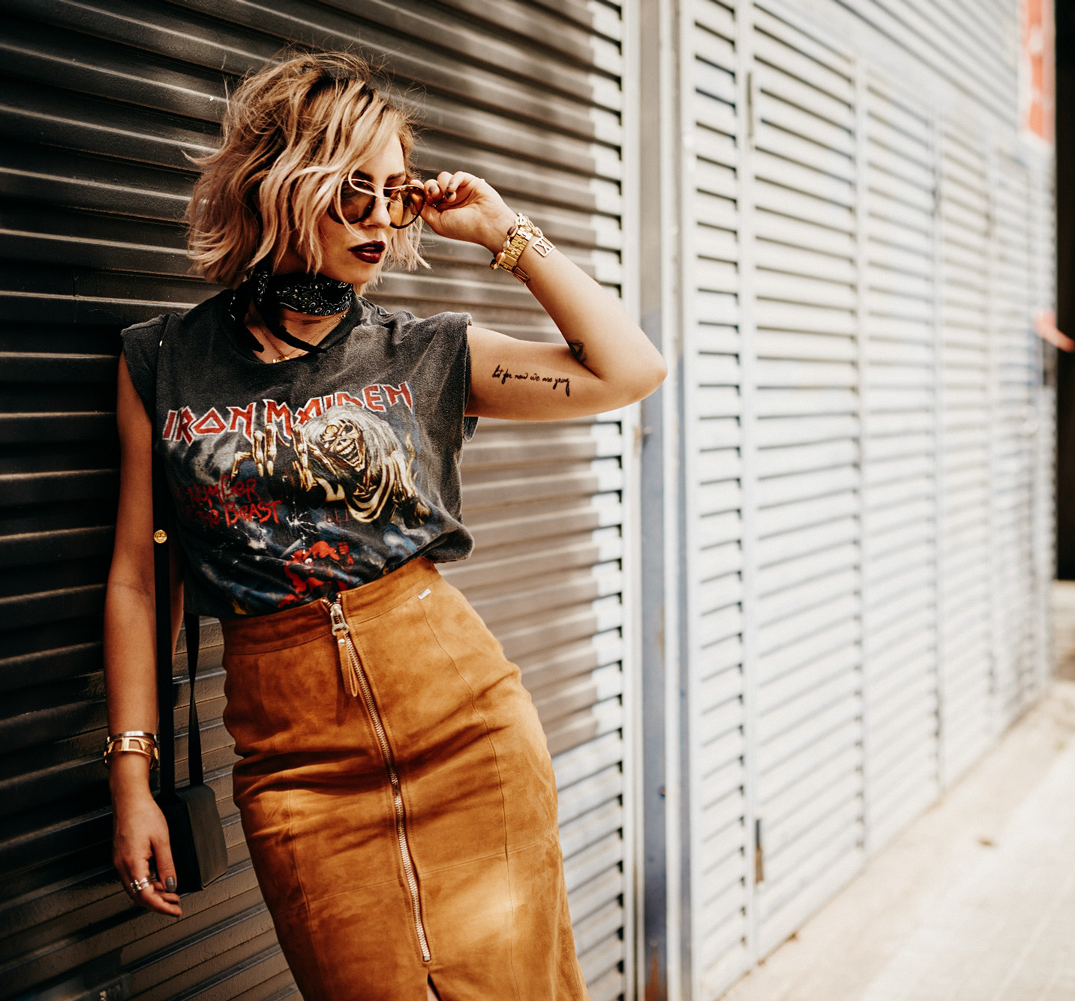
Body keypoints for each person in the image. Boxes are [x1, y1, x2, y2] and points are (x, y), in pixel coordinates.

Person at [101, 51, 665, 1001]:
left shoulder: (426, 353)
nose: (375, 217)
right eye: (348, 189)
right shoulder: (164, 361)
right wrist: (132, 776)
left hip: (468, 731)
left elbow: (628, 368)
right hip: (297, 771)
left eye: (394, 193)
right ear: (280, 184)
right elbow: (136, 578)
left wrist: (502, 231)